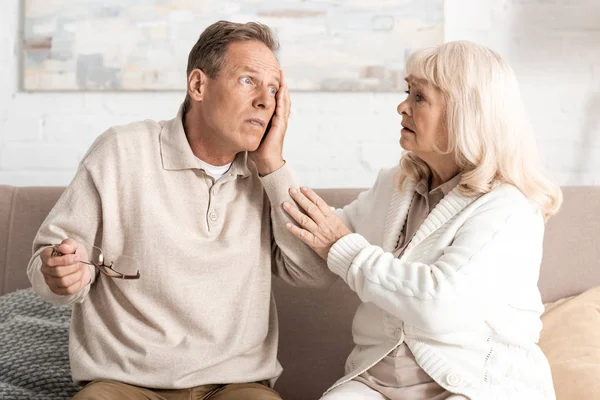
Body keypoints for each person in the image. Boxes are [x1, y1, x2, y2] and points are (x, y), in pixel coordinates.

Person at [27, 20, 335, 400]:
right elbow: (48, 262)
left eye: (274, 89)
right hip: (123, 384)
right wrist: (58, 274)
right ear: (198, 85)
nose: (265, 100)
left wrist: (273, 166)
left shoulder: (268, 177)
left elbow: (315, 272)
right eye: (248, 81)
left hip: (236, 386)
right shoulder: (120, 152)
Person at [283, 41, 561, 400]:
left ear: (464, 112)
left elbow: (439, 304)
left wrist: (342, 248)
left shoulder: (508, 208)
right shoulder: (395, 184)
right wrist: (271, 164)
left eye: (419, 97)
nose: (402, 107)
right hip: (377, 382)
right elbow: (319, 239)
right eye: (406, 92)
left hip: (472, 384)